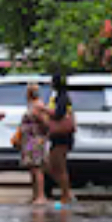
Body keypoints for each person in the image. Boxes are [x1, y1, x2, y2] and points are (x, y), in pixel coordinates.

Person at [46, 74, 76, 209]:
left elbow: (59, 114)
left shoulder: (62, 98)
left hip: (62, 137)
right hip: (56, 137)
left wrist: (45, 110)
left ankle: (66, 196)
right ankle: (67, 192)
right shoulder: (58, 96)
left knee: (60, 167)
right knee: (51, 166)